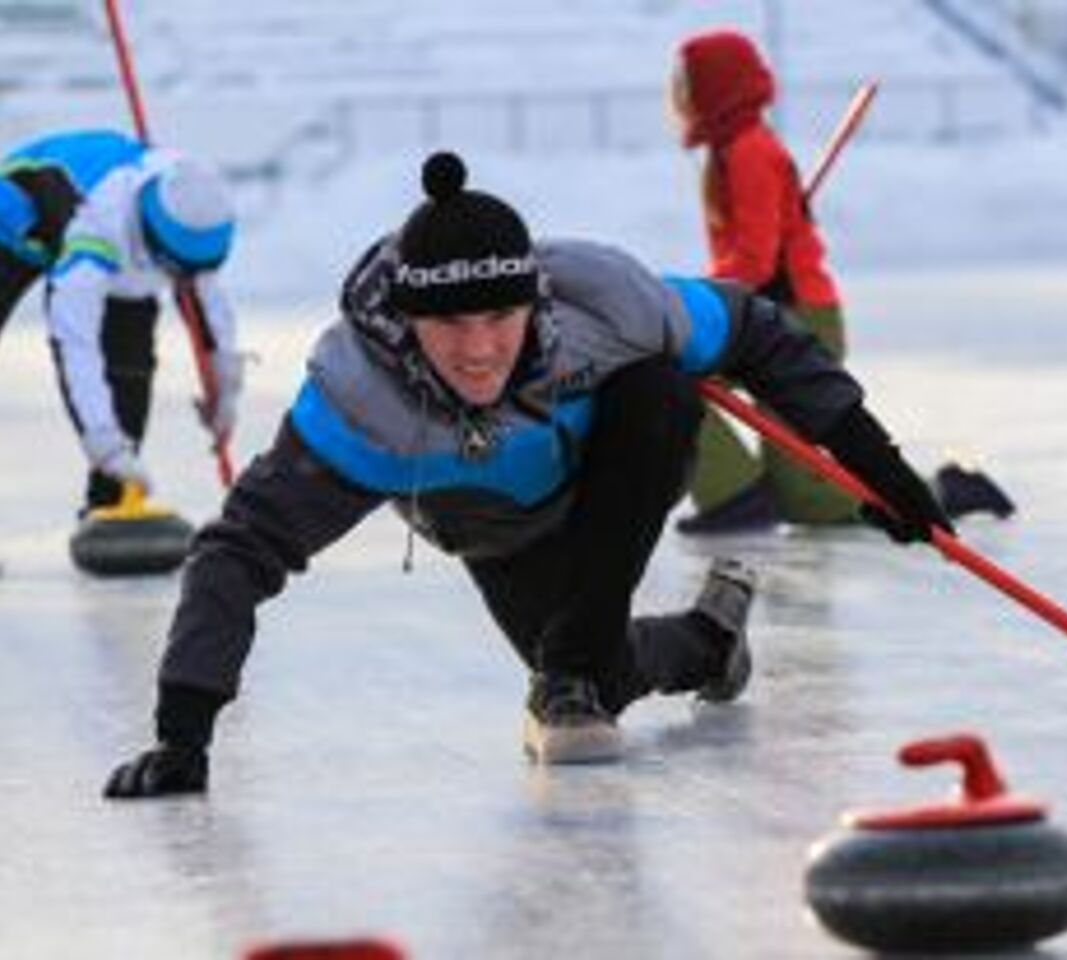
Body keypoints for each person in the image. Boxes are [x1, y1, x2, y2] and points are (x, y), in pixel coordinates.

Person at [103, 151, 953, 799]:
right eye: (448, 325)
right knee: (595, 679)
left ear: (535, 302)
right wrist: (185, 734)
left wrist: (879, 471)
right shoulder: (358, 400)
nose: (478, 350)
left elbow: (758, 332)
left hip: (609, 477)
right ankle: (706, 640)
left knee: (656, 393)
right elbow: (238, 549)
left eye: (501, 317)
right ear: (406, 322)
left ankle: (579, 664)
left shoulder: (608, 304)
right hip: (491, 522)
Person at [668, 29, 859, 534]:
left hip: (797, 322)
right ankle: (735, 494)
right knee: (665, 382)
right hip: (763, 318)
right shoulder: (734, 149)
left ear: (716, 87)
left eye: (688, 84)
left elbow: (754, 260)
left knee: (809, 499)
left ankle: (949, 492)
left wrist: (685, 299)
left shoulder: (750, 151)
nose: (679, 97)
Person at [0, 128, 242, 514]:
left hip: (117, 235)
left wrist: (224, 385)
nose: (185, 282)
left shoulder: (190, 195)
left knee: (130, 364)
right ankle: (114, 468)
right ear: (154, 242)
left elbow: (205, 293)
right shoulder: (94, 236)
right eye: (178, 271)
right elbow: (76, 347)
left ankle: (111, 504)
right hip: (14, 223)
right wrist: (105, 447)